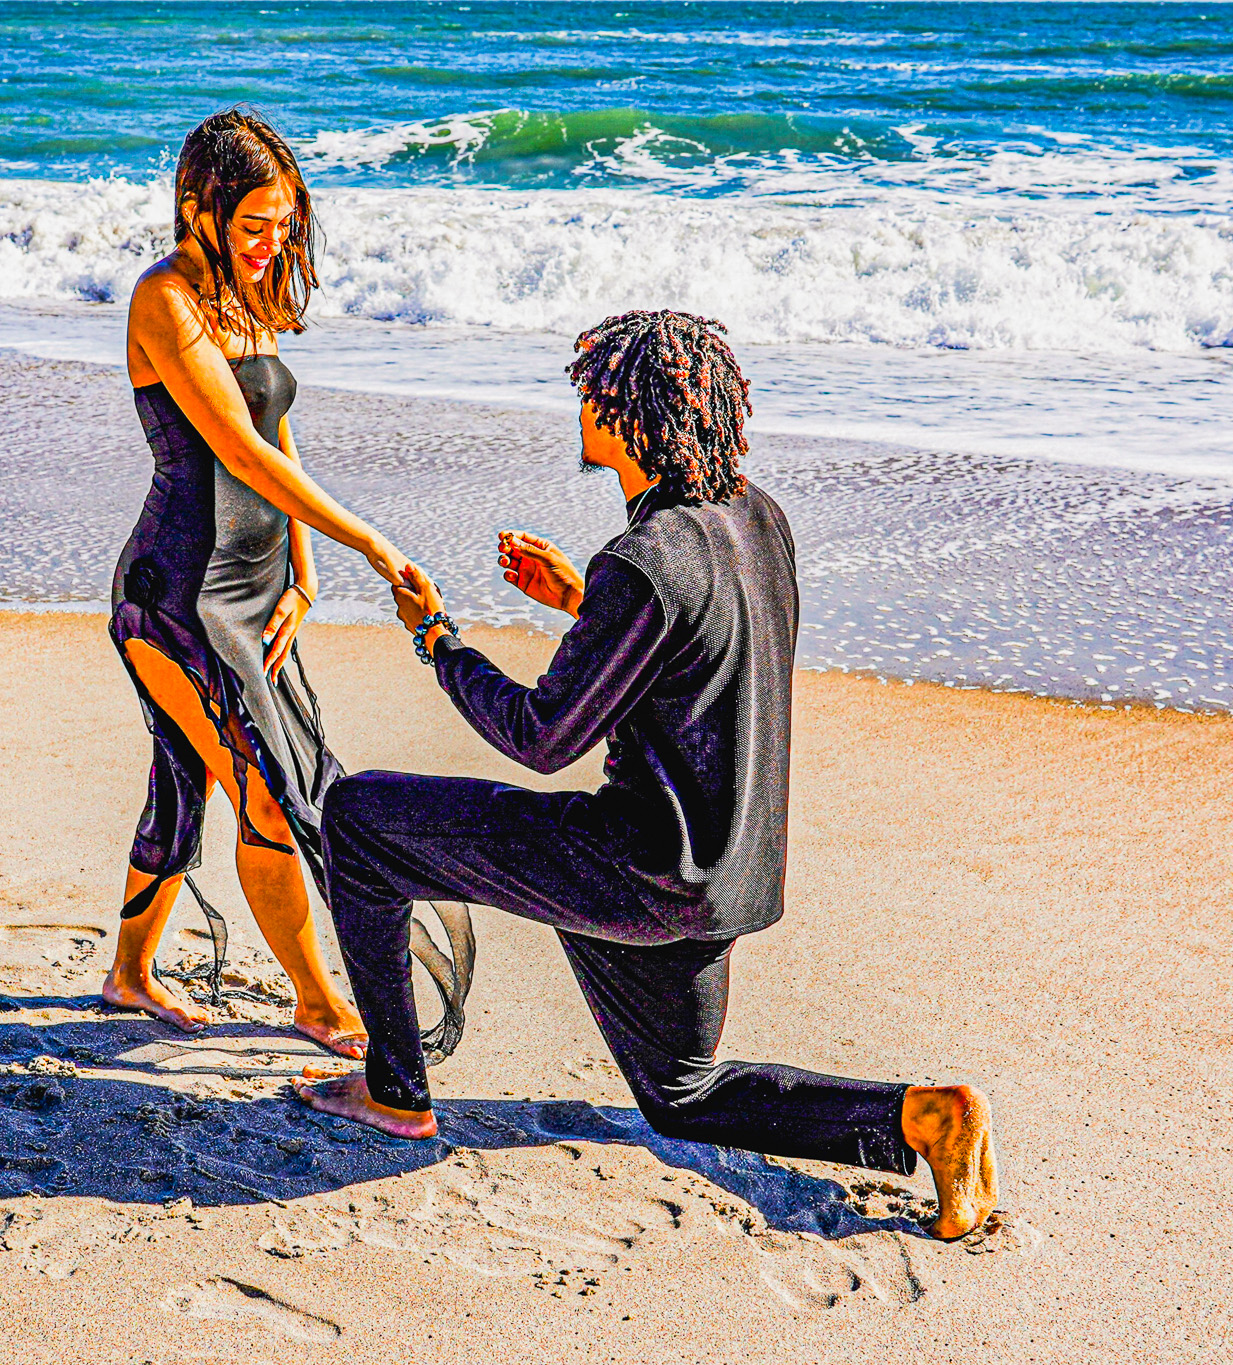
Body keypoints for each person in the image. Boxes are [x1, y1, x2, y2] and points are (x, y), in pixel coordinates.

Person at [294, 310, 1000, 1239]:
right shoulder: (759, 518)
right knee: (682, 1095)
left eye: (595, 388)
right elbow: (700, 665)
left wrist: (439, 640)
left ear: (634, 415)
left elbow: (543, 737)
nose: (581, 400)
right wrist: (579, 603)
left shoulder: (644, 561)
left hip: (636, 869)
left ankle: (394, 1091)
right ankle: (924, 1117)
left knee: (357, 817)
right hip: (729, 878)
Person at [103, 109, 408, 1059]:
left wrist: (305, 574)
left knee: (187, 774)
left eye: (284, 224)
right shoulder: (164, 300)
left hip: (256, 590)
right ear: (196, 206)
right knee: (265, 790)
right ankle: (315, 999)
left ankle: (128, 974)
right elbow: (235, 449)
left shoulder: (245, 294)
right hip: (174, 597)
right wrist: (369, 541)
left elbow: (279, 435)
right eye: (253, 224)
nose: (272, 242)